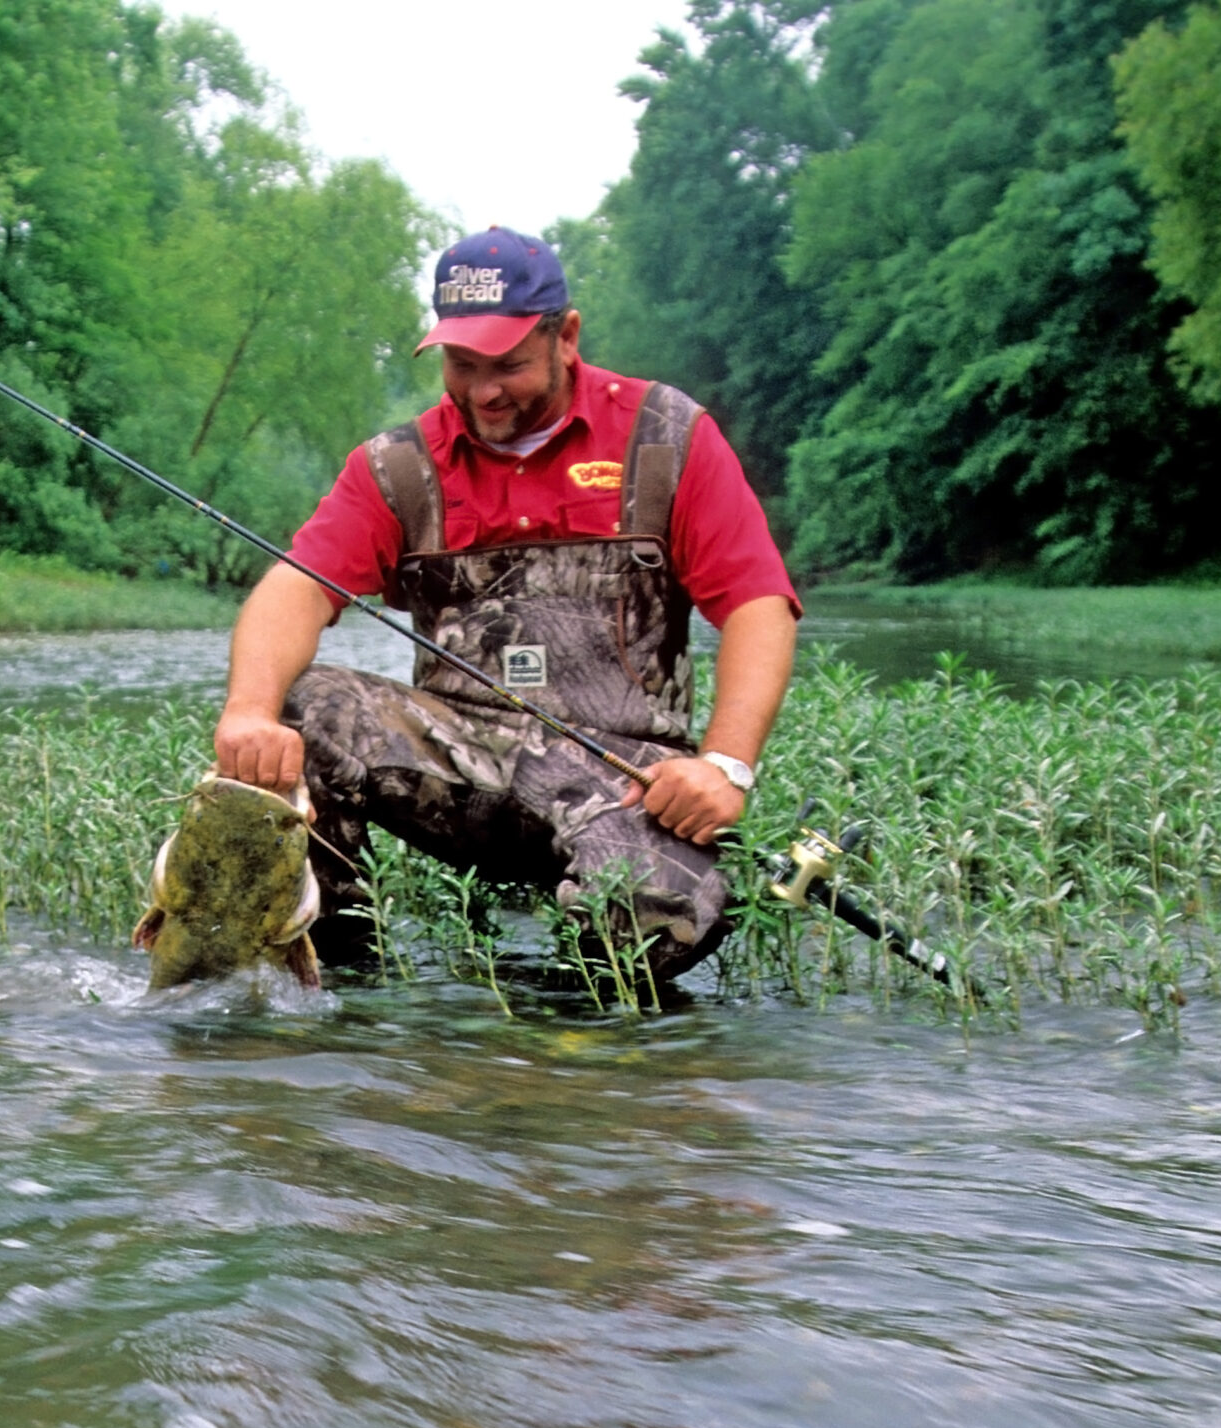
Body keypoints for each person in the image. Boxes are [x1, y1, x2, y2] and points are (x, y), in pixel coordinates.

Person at [212, 227, 800, 979]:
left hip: (625, 777)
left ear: (567, 336)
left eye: (509, 365)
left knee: (654, 924)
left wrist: (724, 766)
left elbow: (759, 604)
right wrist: (249, 711)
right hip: (459, 764)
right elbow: (294, 587)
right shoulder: (397, 465)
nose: (484, 390)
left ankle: (550, 1055)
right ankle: (336, 984)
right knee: (301, 706)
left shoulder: (667, 438)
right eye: (463, 364)